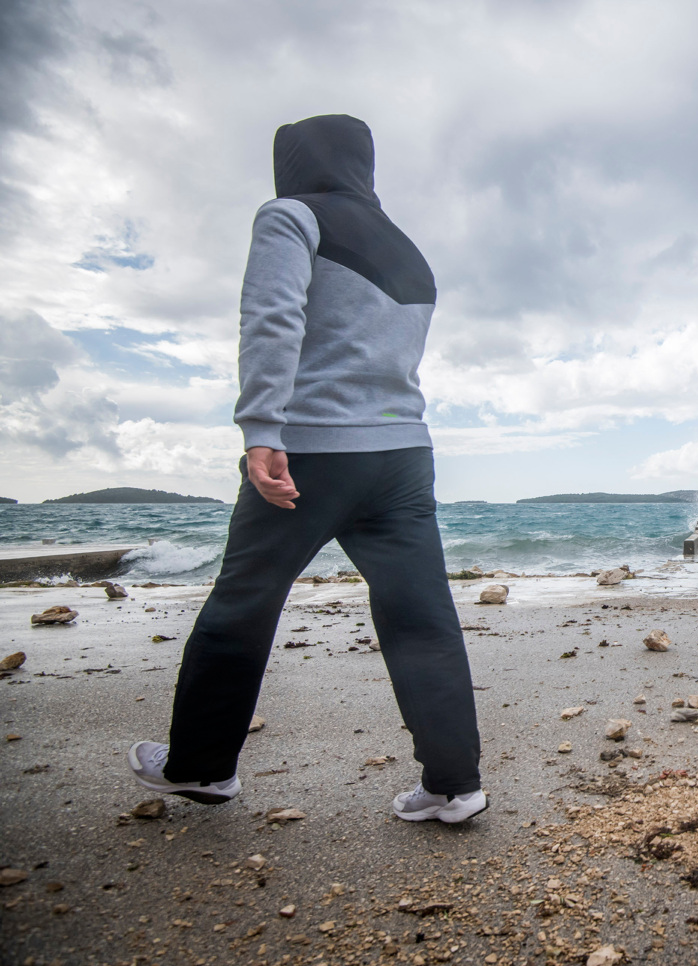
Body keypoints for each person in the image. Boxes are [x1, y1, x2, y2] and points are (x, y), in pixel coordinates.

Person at [128, 114, 486, 823]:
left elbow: (272, 316)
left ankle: (201, 767)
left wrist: (262, 429)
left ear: (293, 162)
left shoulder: (290, 215)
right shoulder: (410, 250)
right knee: (421, 616)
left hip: (316, 449)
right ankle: (453, 784)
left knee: (244, 602)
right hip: (404, 455)